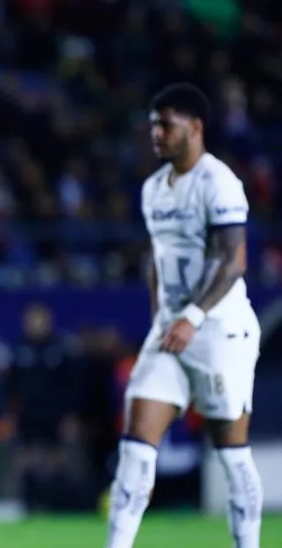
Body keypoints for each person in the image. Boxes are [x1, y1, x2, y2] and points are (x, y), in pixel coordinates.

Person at [105, 83, 262, 548]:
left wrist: (191, 315)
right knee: (135, 447)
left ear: (195, 127)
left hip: (219, 331)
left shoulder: (219, 182)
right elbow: (158, 256)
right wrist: (161, 316)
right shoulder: (154, 187)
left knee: (232, 453)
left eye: (166, 124)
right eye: (154, 124)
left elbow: (234, 260)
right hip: (171, 330)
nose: (157, 133)